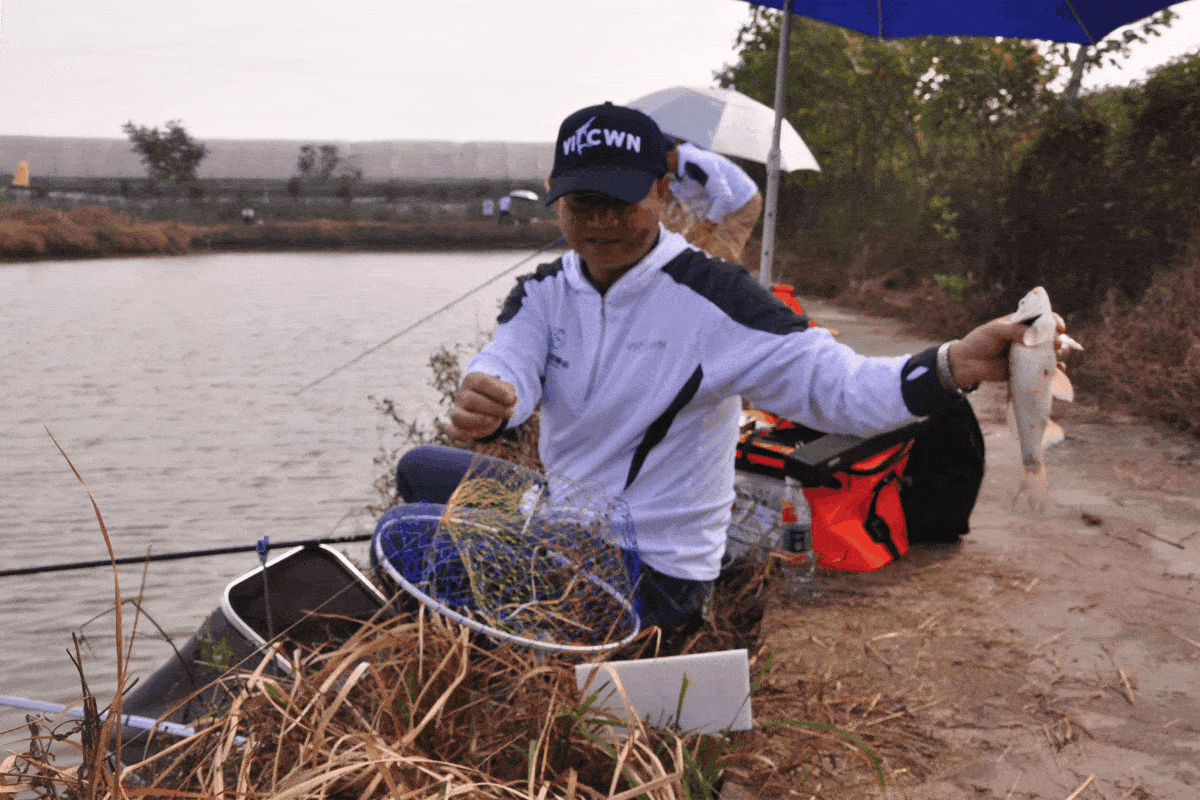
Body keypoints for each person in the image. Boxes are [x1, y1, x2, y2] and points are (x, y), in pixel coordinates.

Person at [381, 102, 1032, 635]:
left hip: (647, 573)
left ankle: (517, 646)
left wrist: (953, 364)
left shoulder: (718, 296)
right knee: (420, 469)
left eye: (622, 201)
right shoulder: (544, 291)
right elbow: (510, 359)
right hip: (568, 516)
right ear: (555, 201)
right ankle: (505, 608)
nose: (602, 221)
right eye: (584, 204)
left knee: (400, 534)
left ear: (664, 195)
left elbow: (841, 389)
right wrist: (494, 394)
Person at [662, 139, 763, 264]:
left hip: (742, 202)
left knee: (721, 251)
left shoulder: (697, 163)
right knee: (693, 246)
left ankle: (730, 279)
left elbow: (724, 197)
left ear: (671, 154)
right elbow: (688, 200)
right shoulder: (669, 170)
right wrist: (695, 225)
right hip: (714, 204)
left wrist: (709, 223)